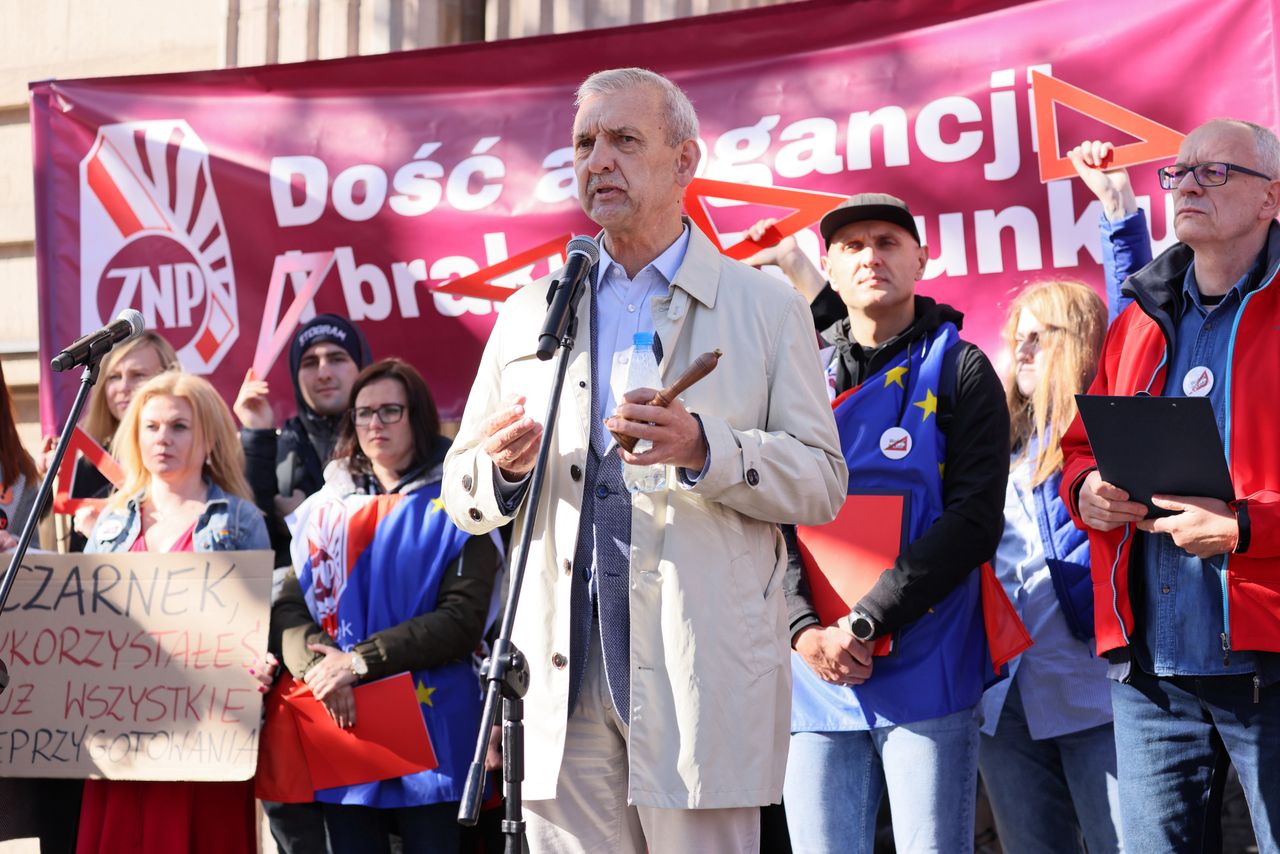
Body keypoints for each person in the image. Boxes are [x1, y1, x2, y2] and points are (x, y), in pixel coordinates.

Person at [443, 67, 846, 852]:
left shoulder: (766, 307)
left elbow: (823, 482)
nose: (598, 160)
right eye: (585, 143)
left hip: (700, 678)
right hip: (562, 683)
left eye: (625, 140)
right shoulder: (531, 311)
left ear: (685, 161)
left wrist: (705, 447)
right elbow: (463, 489)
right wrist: (503, 471)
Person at [1062, 118, 1280, 852]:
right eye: (1179, 172)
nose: (1185, 183)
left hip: (1269, 662)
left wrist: (1246, 527)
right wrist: (1086, 491)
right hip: (1151, 675)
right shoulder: (1140, 317)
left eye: (1214, 172)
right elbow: (1079, 448)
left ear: (1270, 199)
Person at [777, 193, 1010, 854]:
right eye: (852, 246)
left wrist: (866, 620)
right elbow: (775, 519)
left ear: (920, 258)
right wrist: (804, 631)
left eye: (886, 242)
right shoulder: (796, 374)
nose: (870, 257)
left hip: (926, 663)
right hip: (814, 665)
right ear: (830, 266)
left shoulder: (962, 367)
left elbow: (973, 522)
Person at [269, 358, 500, 853]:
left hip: (434, 730)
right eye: (363, 413)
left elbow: (461, 621)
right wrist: (319, 670)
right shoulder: (325, 509)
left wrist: (358, 663)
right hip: (344, 721)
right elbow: (290, 607)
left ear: (417, 416)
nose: (375, 424)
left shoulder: (463, 502)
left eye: (390, 411)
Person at [78, 370, 270, 854]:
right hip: (122, 739)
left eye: (180, 426)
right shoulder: (110, 525)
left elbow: (258, 625)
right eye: (152, 426)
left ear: (208, 438)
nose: (163, 438)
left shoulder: (240, 521)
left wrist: (259, 665)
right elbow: (80, 626)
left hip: (206, 738)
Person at [977, 280, 1123, 854]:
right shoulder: (991, 444)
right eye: (1017, 336)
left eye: (1040, 336)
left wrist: (1118, 212)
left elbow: (1141, 309)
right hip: (1003, 701)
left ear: (1084, 343)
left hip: (1093, 691)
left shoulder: (1107, 438)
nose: (1022, 349)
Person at [235, 312, 371, 563]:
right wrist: (256, 435)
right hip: (295, 599)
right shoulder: (280, 446)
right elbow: (245, 541)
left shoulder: (385, 435)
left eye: (337, 358)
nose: (323, 373)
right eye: (309, 363)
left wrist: (306, 518)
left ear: (361, 366)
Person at [39, 331, 179, 551]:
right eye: (114, 377)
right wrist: (46, 484)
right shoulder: (86, 466)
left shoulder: (186, 456)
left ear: (168, 380)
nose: (123, 387)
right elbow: (58, 549)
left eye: (138, 374)